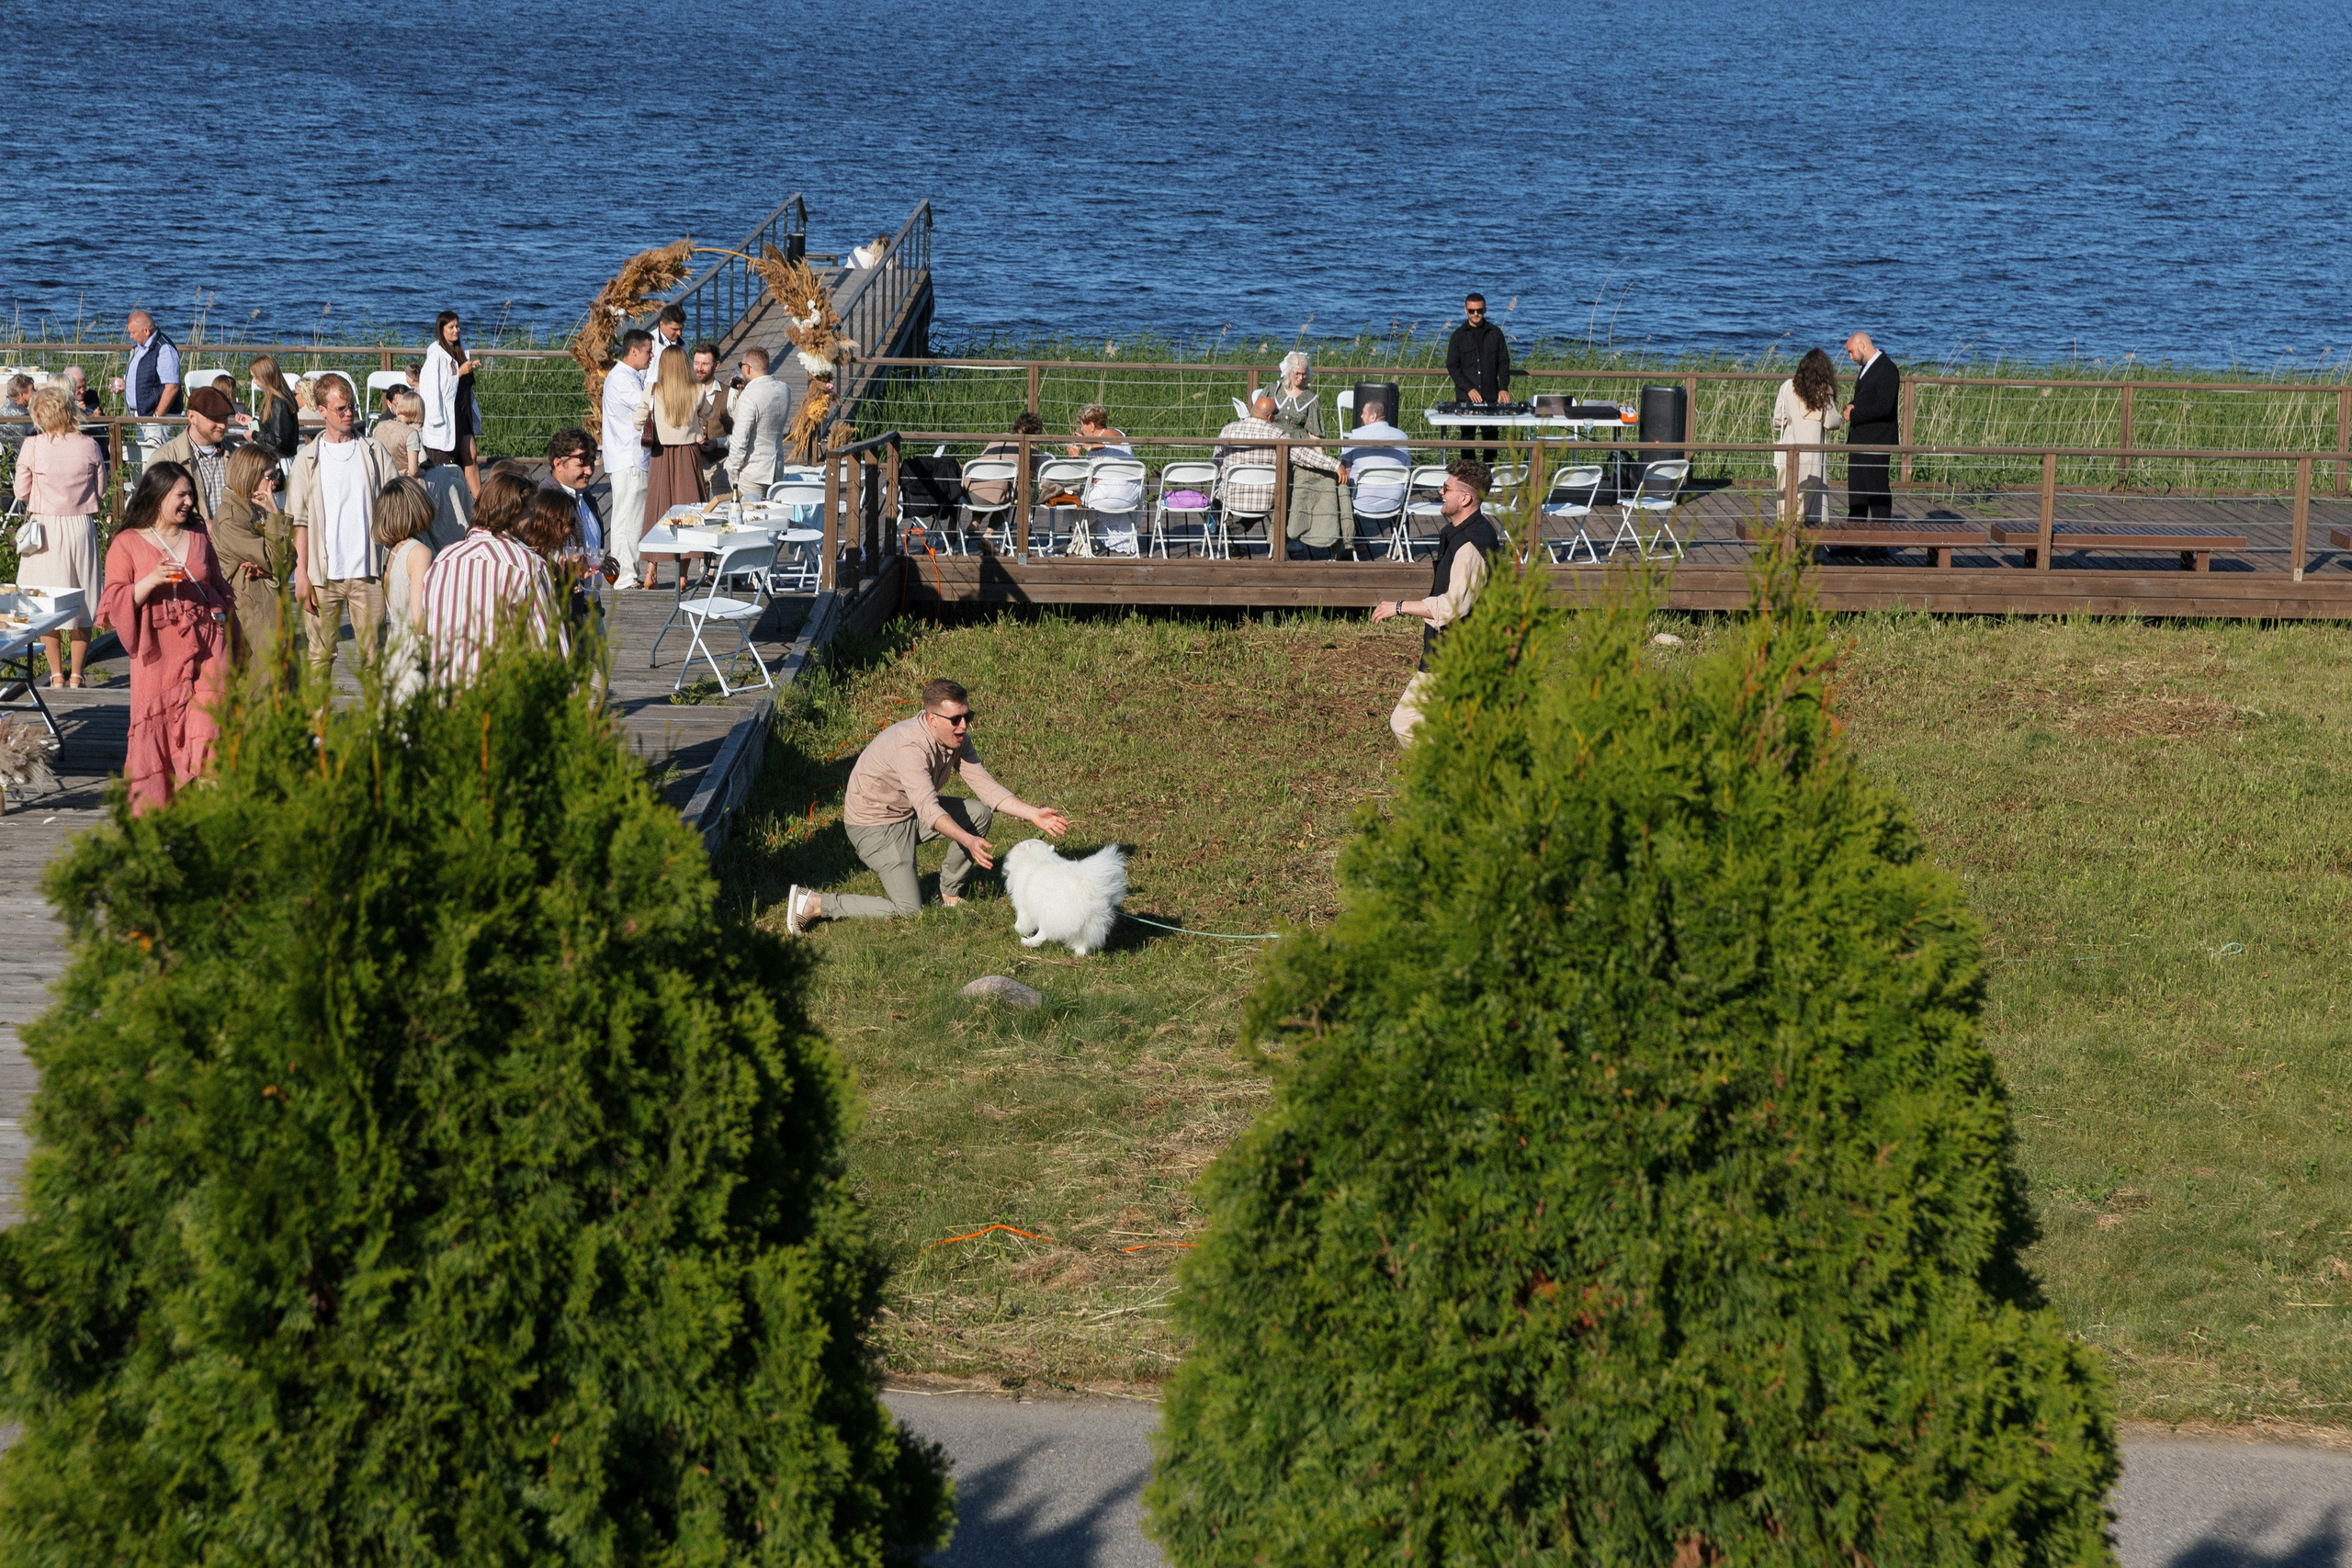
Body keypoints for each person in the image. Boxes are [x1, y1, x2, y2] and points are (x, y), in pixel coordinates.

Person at [782, 677, 1070, 931]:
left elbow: (986, 787)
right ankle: (816, 903)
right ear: (932, 719)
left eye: (967, 716)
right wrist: (967, 840)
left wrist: (1034, 814)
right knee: (908, 911)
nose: (964, 725)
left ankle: (947, 893)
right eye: (955, 719)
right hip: (874, 828)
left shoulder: (957, 740)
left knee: (978, 814)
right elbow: (930, 810)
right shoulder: (912, 748)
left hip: (908, 813)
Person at [99, 462, 233, 813]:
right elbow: (113, 603)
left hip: (207, 649)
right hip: (158, 655)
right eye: (181, 494)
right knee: (156, 734)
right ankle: (156, 822)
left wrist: (223, 614)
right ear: (157, 496)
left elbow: (218, 584)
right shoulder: (126, 543)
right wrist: (151, 580)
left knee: (208, 733)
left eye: (191, 494)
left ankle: (208, 824)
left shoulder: (200, 535)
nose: (189, 501)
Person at [1371, 459, 1503, 745]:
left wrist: (1399, 606)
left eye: (1446, 488)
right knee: (1434, 726)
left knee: (1407, 722)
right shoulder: (1459, 533)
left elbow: (1454, 605)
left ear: (1465, 497)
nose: (1440, 492)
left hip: (1459, 653)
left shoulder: (1471, 543)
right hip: (1447, 650)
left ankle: (1444, 780)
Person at [285, 373, 401, 677]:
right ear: (322, 411)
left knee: (375, 659)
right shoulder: (306, 459)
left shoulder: (374, 452)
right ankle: (317, 724)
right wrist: (301, 576)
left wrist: (393, 562)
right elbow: (299, 522)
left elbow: (396, 507)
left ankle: (379, 724)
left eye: (351, 407)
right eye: (341, 409)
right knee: (319, 658)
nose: (349, 413)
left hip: (369, 573)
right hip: (323, 577)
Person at [421, 469, 560, 685]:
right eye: (530, 513)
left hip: (444, 693)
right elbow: (547, 645)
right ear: (513, 512)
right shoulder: (528, 565)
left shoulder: (444, 559)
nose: (533, 521)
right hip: (499, 699)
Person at [11, 385, 107, 687]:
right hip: (80, 526)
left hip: (45, 529)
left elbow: (21, 491)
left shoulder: (34, 446)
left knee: (43, 603)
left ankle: (55, 674)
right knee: (82, 602)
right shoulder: (89, 444)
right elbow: (101, 490)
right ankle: (77, 674)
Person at [209, 443, 292, 670]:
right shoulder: (232, 518)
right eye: (269, 475)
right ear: (250, 476)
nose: (274, 481)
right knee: (260, 689)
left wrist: (271, 566)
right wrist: (276, 515)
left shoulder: (255, 507)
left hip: (267, 608)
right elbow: (278, 560)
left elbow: (287, 559)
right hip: (250, 616)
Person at [642, 344, 708, 581]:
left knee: (657, 510)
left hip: (661, 455)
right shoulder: (697, 390)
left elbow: (637, 420)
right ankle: (682, 576)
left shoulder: (653, 390)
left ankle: (652, 572)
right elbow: (707, 412)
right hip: (688, 456)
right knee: (689, 511)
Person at [373, 477, 437, 702]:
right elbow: (420, 621)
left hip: (395, 647)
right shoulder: (419, 553)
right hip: (415, 652)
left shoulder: (389, 551)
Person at [601, 329, 654, 591]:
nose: (651, 355)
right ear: (634, 351)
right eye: (647, 350)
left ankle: (624, 573)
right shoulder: (624, 379)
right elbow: (647, 406)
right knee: (628, 518)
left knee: (627, 516)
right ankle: (624, 576)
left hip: (627, 455)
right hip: (628, 456)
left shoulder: (627, 376)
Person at [146, 385, 245, 521]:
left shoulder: (237, 455)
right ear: (192, 417)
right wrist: (198, 529)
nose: (222, 425)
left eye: (225, 419)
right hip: (186, 540)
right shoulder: (165, 459)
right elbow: (150, 510)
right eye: (215, 419)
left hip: (230, 540)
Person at [1772, 349, 1846, 523]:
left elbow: (1777, 419)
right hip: (1814, 454)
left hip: (1790, 450)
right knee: (1812, 501)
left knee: (1789, 495)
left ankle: (1786, 540)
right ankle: (1811, 542)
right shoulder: (1823, 392)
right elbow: (1832, 422)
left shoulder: (1787, 387)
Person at [1444, 293, 1514, 460]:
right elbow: (1452, 366)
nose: (1476, 314)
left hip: (1491, 396)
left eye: (1479, 310)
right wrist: (1469, 388)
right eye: (1472, 311)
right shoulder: (1458, 336)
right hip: (1466, 398)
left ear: (1485, 309)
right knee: (1467, 442)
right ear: (1465, 311)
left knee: (1491, 442)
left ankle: (1489, 478)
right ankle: (1469, 480)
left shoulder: (1496, 333)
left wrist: (1503, 387)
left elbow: (1503, 362)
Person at [422, 310, 483, 496]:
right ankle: (449, 500)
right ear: (442, 330)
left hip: (462, 413)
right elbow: (434, 388)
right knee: (445, 463)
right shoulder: (436, 357)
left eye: (457, 326)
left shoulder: (459, 352)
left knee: (471, 455)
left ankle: (479, 500)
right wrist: (460, 373)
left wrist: (469, 368)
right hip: (448, 415)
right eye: (451, 327)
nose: (456, 330)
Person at [1340, 397, 1413, 545]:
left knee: (1341, 487)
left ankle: (1353, 541)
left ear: (1373, 417)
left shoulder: (1355, 436)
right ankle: (1401, 542)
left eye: (1363, 413)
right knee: (1402, 491)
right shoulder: (1402, 437)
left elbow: (1345, 469)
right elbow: (1407, 470)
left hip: (1361, 500)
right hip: (1394, 500)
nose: (1361, 416)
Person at [1842, 333, 1900, 520]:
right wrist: (1853, 405)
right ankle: (1853, 541)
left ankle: (1879, 545)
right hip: (1860, 441)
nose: (1850, 357)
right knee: (1857, 494)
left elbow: (1884, 407)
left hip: (1877, 441)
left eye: (1851, 352)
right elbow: (1868, 399)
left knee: (1877, 492)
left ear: (1862, 345)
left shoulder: (1887, 369)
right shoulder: (1867, 367)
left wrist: (1855, 414)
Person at [542, 426, 609, 584]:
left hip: (590, 603)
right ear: (558, 464)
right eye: (582, 465)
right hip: (563, 604)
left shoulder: (587, 498)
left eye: (592, 463)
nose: (590, 471)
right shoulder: (546, 504)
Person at [722, 345, 790, 501]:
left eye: (741, 366)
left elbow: (740, 441)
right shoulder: (784, 390)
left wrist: (732, 470)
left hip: (751, 471)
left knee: (749, 520)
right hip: (775, 468)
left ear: (748, 368)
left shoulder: (748, 397)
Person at [124, 309, 182, 442]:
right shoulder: (142, 347)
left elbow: (172, 387)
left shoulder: (164, 349)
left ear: (146, 331)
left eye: (133, 333)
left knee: (157, 458)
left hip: (156, 419)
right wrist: (126, 384)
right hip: (143, 416)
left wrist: (157, 416)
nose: (131, 336)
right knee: (146, 458)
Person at [690, 342, 732, 491]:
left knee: (723, 508)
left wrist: (717, 443)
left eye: (705, 364)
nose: (699, 368)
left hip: (721, 464)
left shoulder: (729, 394)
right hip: (693, 464)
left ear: (717, 365)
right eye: (696, 363)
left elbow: (739, 433)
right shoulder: (685, 393)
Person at [249, 355, 302, 458]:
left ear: (265, 376)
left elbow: (278, 440)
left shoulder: (278, 402)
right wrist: (251, 421)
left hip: (280, 458)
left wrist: (254, 435)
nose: (254, 381)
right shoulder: (279, 397)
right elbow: (272, 427)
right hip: (280, 457)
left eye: (255, 377)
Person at [371, 386, 425, 477]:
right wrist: (424, 472)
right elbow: (413, 471)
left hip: (382, 478)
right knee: (454, 478)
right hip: (405, 483)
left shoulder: (380, 426)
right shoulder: (411, 433)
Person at [1270, 352, 1323, 439]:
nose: (1301, 378)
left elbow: (1314, 434)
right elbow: (1258, 418)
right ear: (1289, 371)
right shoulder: (1274, 390)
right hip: (1272, 440)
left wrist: (1319, 452)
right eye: (1297, 373)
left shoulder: (1310, 398)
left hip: (1298, 445)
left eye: (1303, 374)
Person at [1, 374, 31, 453]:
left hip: (6, 461)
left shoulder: (4, 409)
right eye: (33, 389)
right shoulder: (24, 416)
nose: (36, 392)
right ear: (21, 395)